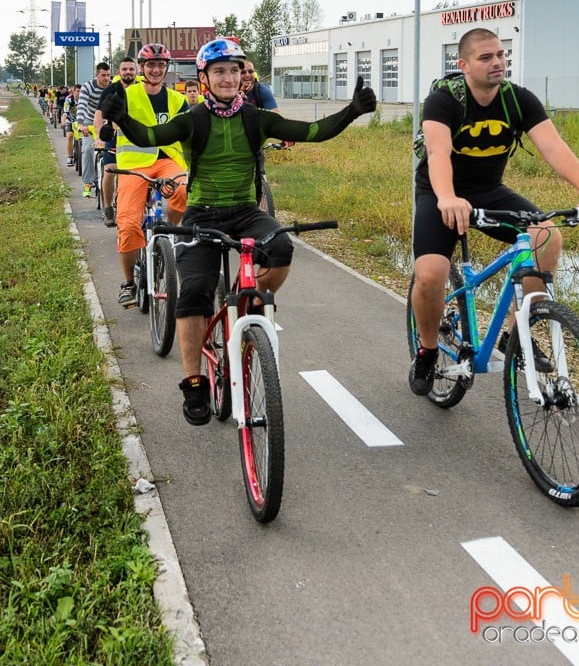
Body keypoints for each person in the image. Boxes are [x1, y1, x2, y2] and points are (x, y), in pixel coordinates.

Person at [101, 37, 377, 424]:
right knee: (194, 291)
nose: (229, 78)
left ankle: (250, 301)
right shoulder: (193, 119)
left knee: (280, 246)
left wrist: (351, 112)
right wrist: (121, 119)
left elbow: (312, 130)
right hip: (202, 214)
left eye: (234, 70)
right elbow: (150, 138)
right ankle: (194, 381)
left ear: (242, 76)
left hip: (245, 211)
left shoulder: (256, 118)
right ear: (205, 77)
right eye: (219, 72)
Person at [409, 26, 579, 396]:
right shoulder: (445, 99)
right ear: (465, 64)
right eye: (486, 57)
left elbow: (553, 147)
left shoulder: (518, 100)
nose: (497, 62)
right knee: (431, 274)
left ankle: (515, 334)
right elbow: (438, 152)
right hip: (441, 193)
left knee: (547, 236)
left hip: (490, 192)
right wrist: (448, 197)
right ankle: (427, 349)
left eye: (501, 55)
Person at [104, 44, 190, 307]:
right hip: (134, 164)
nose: (156, 69)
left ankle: (171, 228)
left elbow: (189, 132)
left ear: (166, 68)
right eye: (150, 64)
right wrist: (106, 132)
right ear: (142, 67)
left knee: (185, 190)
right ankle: (129, 282)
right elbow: (111, 120)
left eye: (161, 65)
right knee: (128, 224)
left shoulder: (178, 99)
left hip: (168, 161)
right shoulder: (127, 94)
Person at [93, 57, 139, 227]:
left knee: (134, 174)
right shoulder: (112, 89)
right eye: (124, 69)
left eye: (131, 69)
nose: (128, 72)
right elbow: (99, 114)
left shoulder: (142, 89)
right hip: (113, 137)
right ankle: (108, 209)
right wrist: (99, 137)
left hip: (135, 137)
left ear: (136, 71)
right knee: (110, 171)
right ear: (119, 73)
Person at [76, 63, 112, 197]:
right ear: (96, 75)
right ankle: (87, 183)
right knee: (87, 150)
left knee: (115, 150)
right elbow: (82, 105)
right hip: (89, 121)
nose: (106, 78)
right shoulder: (88, 87)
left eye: (108, 75)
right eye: (103, 75)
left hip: (108, 122)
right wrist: (80, 124)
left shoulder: (113, 87)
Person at [62, 84, 81, 166]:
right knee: (69, 136)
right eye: (78, 91)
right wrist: (63, 122)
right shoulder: (69, 99)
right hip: (71, 120)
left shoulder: (85, 98)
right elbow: (65, 112)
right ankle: (69, 157)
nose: (80, 93)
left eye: (81, 91)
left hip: (81, 122)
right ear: (73, 91)